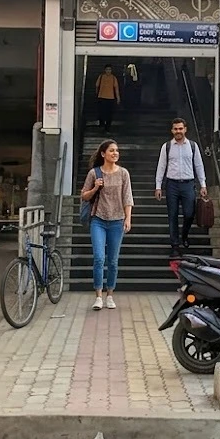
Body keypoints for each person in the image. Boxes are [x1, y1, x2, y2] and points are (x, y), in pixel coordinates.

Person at [81, 139, 133, 311]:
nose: (115, 153)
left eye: (117, 150)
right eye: (111, 150)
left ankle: (110, 294)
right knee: (99, 258)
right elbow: (84, 196)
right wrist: (95, 188)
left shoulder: (123, 173)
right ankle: (98, 296)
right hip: (98, 220)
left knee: (113, 261)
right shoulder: (94, 173)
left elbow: (127, 198)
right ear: (103, 154)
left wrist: (128, 218)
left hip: (117, 221)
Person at [154, 118, 208, 257]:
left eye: (180, 128)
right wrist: (158, 186)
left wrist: (203, 184)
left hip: (188, 184)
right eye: (175, 129)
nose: (178, 131)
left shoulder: (193, 146)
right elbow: (161, 167)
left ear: (185, 129)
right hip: (172, 184)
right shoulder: (167, 147)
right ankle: (175, 245)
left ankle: (184, 235)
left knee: (189, 214)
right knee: (172, 216)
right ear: (172, 130)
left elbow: (199, 165)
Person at [94, 64, 121, 132]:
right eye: (107, 69)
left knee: (109, 114)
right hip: (101, 97)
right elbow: (97, 86)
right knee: (102, 112)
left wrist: (118, 98)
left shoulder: (113, 78)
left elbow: (116, 88)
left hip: (110, 98)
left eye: (109, 69)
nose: (108, 71)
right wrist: (97, 94)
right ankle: (102, 124)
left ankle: (107, 127)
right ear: (105, 70)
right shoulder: (101, 77)